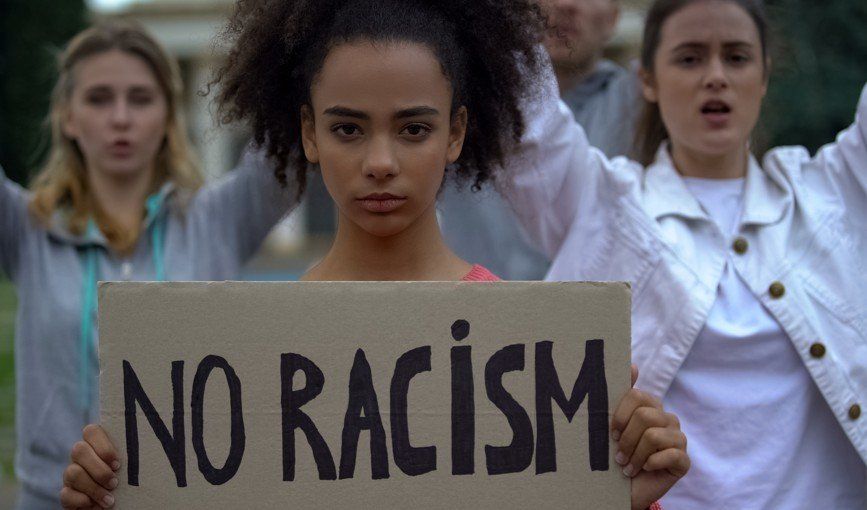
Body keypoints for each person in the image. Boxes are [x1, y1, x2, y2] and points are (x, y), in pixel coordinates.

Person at [59, 1, 690, 509]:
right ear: (308, 133)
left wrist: (613, 495)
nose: (381, 162)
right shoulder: (255, 353)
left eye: (414, 128)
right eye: (347, 128)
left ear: (457, 133)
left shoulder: (525, 349)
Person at [501, 0, 867, 507]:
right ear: (647, 80)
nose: (715, 76)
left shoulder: (834, 195)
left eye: (737, 58)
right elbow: (520, 104)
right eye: (690, 58)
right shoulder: (601, 203)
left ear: (764, 79)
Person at [0, 21, 294, 509]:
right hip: (52, 500)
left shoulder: (219, 217)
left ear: (167, 117)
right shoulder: (26, 226)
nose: (120, 117)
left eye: (140, 98)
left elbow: (290, 123)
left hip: (193, 497)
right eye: (98, 98)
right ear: (68, 117)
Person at [436, 0, 641, 281]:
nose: (565, 4)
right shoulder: (448, 90)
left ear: (614, 18)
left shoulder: (646, 107)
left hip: (598, 318)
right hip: (466, 314)